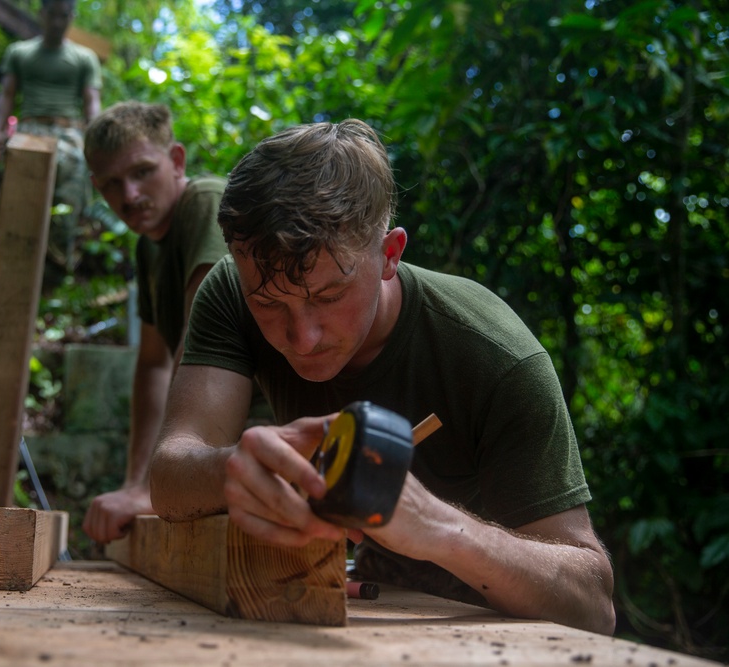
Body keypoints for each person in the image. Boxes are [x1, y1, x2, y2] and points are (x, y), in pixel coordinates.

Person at [149, 119, 617, 635]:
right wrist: (233, 469)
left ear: (390, 254)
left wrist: (437, 526)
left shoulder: (493, 356)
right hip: (354, 613)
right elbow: (170, 478)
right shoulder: (231, 289)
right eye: (267, 303)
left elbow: (593, 605)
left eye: (328, 297)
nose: (301, 338)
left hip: (498, 635)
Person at [79, 101, 229, 544]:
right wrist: (136, 483)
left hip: (261, 432)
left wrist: (160, 489)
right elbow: (153, 366)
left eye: (142, 172)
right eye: (110, 184)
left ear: (176, 161)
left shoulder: (205, 202)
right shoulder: (148, 249)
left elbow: (200, 339)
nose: (128, 196)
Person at [0, 0, 102, 268]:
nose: (58, 22)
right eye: (52, 15)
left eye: (64, 16)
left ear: (71, 17)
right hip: (30, 128)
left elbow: (92, 104)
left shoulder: (84, 58)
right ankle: (14, 252)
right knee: (23, 191)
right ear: (42, 14)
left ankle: (58, 261)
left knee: (69, 193)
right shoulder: (20, 52)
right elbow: (7, 94)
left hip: (70, 132)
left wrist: (96, 141)